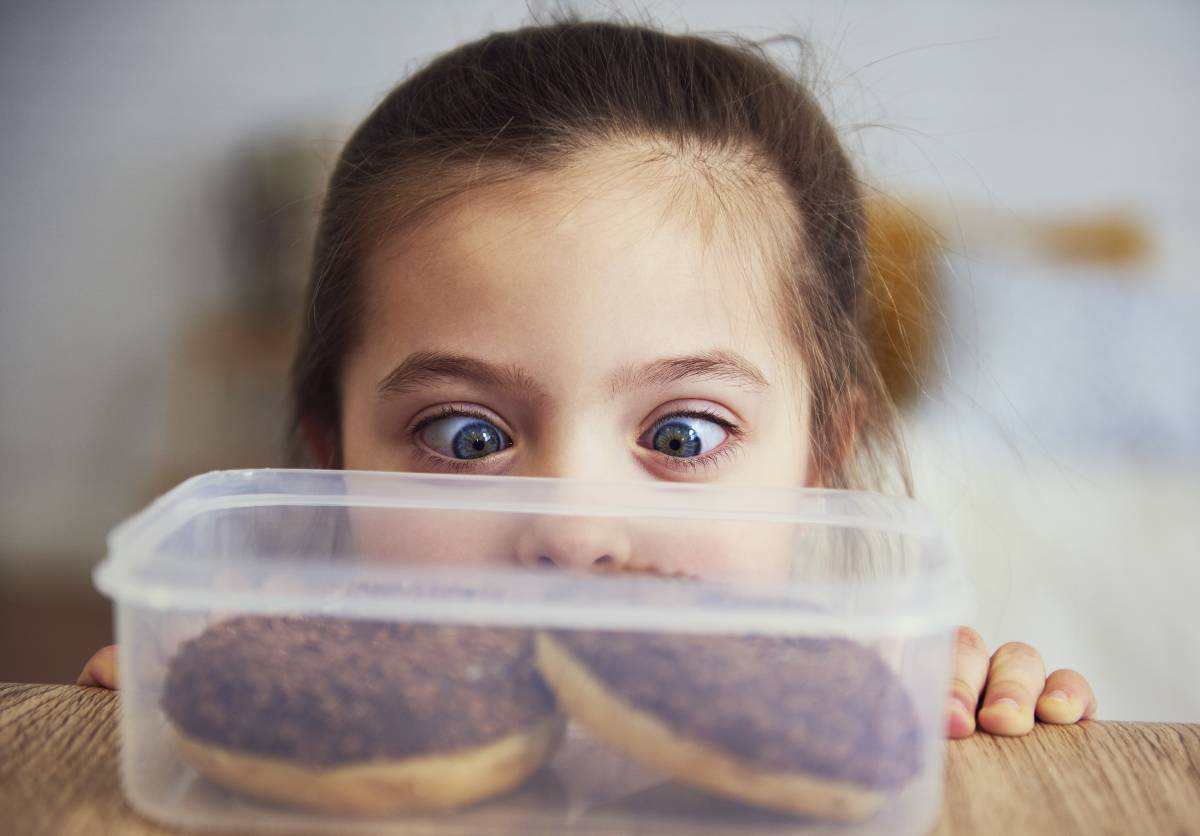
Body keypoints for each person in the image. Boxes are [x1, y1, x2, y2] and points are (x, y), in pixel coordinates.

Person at [78, 19, 1095, 738]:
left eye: (683, 434)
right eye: (465, 435)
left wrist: (972, 719)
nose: (572, 533)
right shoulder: (262, 717)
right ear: (330, 448)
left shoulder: (872, 715)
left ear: (823, 456)